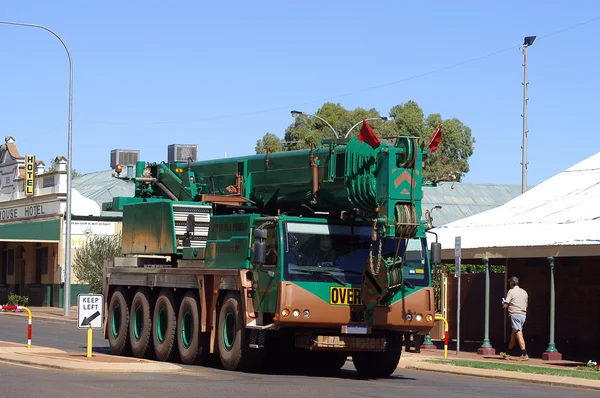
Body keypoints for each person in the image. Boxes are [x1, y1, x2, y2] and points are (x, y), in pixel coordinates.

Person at [499, 276, 529, 361]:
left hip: (515, 314)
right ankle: (508, 353)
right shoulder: (524, 292)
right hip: (523, 315)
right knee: (514, 334)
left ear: (511, 283)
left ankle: (524, 353)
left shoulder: (511, 292)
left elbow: (505, 305)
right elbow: (526, 305)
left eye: (509, 282)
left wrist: (503, 303)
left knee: (518, 333)